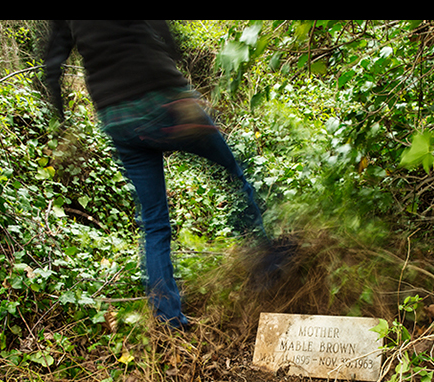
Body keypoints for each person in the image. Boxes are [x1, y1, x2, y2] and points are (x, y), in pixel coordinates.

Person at [44, 20, 279, 330]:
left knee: (154, 222)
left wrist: (60, 121)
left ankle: (168, 320)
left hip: (117, 119)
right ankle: (269, 268)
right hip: (161, 99)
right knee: (233, 174)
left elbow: (52, 64)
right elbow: (162, 28)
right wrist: (176, 75)